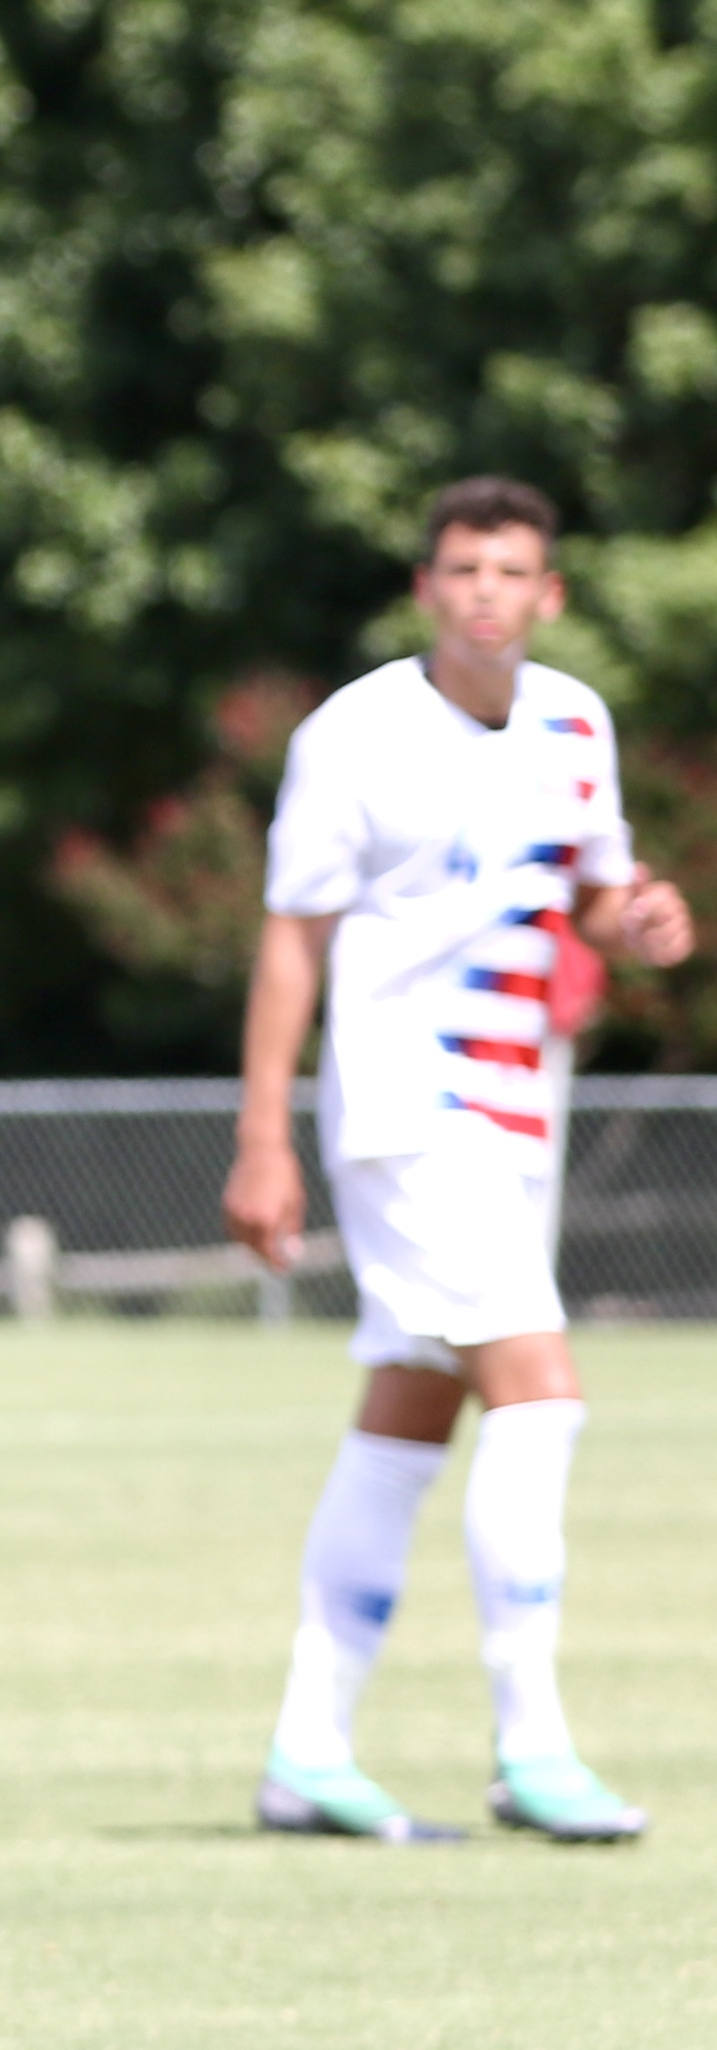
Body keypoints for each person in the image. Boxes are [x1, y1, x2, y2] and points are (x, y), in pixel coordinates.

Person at [227, 475, 692, 1845]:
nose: (484, 590)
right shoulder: (353, 736)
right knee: (537, 1399)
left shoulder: (571, 721)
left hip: (513, 1120)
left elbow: (589, 884)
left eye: (510, 570)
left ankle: (306, 1749)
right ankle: (529, 1746)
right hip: (404, 1116)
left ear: (545, 595)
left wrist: (636, 914)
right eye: (461, 568)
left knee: (408, 1415)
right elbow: (288, 940)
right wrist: (261, 1137)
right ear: (425, 589)